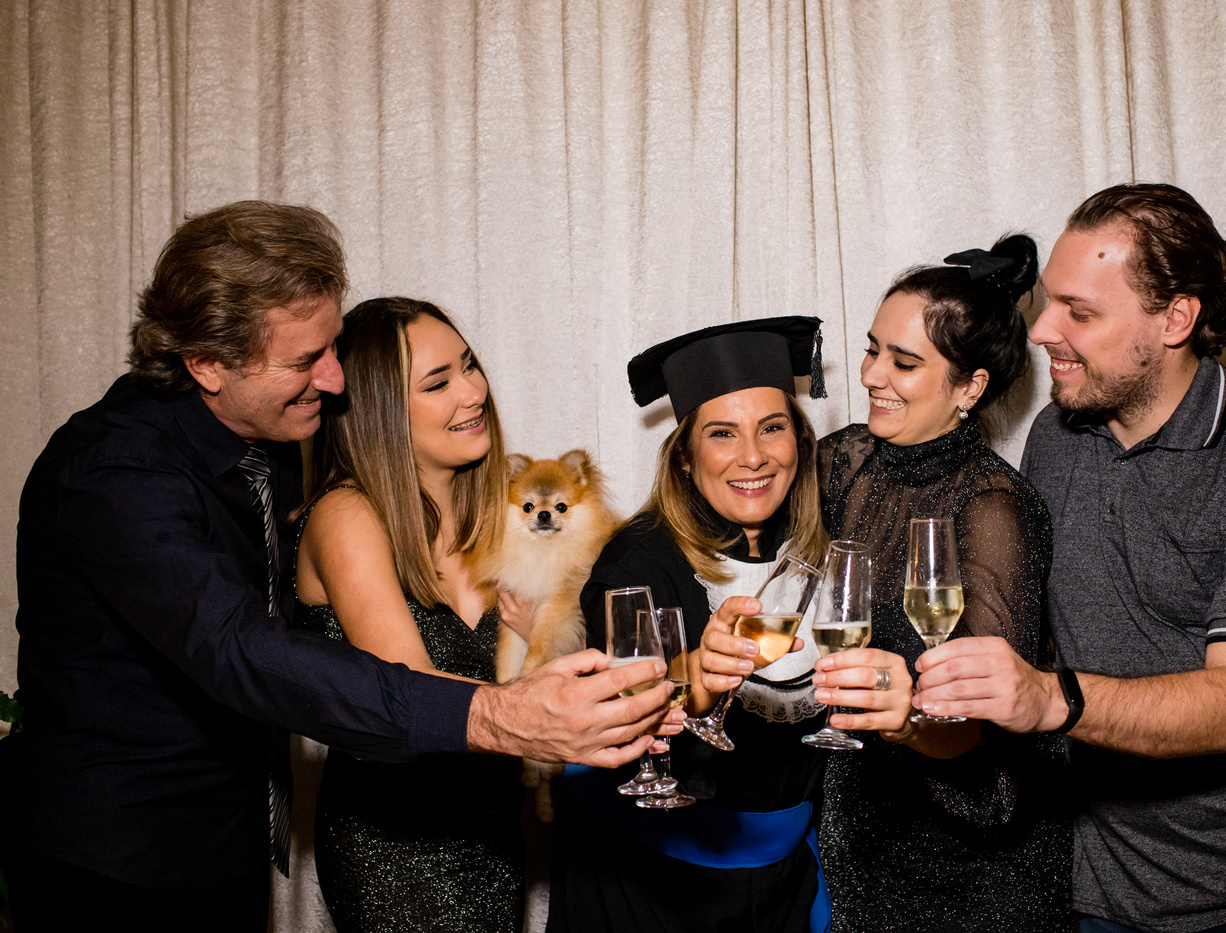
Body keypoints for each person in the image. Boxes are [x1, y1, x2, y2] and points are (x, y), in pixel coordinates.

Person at [0, 201, 678, 933]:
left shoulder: (268, 449)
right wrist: (502, 712)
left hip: (230, 838)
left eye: (332, 349)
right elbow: (239, 648)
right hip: (115, 857)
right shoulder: (115, 474)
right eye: (305, 361)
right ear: (206, 364)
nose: (333, 379)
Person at [915, 185, 1226, 932]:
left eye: (1080, 312)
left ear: (1175, 319)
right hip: (1112, 892)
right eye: (1048, 302)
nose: (1042, 330)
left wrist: (1049, 700)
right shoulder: (1056, 439)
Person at [809, 236, 1071, 932]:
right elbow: (742, 492)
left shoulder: (994, 507)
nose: (872, 375)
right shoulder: (847, 462)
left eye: (904, 362)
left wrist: (908, 719)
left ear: (970, 387)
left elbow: (988, 724)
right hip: (862, 833)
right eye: (873, 350)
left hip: (966, 861)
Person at [547, 317, 832, 933]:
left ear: (801, 441)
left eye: (773, 427)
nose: (753, 456)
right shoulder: (635, 562)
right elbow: (622, 697)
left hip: (782, 885)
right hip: (647, 884)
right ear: (683, 456)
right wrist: (695, 676)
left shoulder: (824, 548)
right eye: (721, 434)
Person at [293, 297, 529, 931]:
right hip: (396, 847)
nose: (474, 392)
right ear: (381, 413)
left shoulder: (504, 512)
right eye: (438, 382)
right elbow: (411, 694)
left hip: (493, 832)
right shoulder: (347, 516)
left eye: (469, 365)